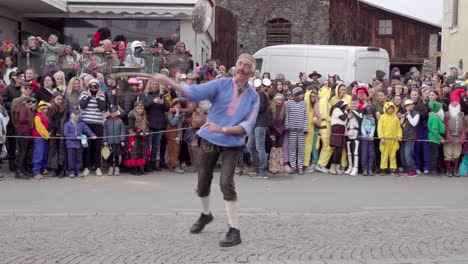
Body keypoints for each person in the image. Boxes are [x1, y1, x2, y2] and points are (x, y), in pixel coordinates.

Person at [153, 53, 260, 247]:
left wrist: (223, 129)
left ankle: (234, 230)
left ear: (252, 72)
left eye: (247, 66)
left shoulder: (254, 97)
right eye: (239, 63)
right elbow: (193, 93)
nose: (242, 68)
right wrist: (169, 81)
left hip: (233, 143)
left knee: (226, 183)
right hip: (210, 139)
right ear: (235, 66)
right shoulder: (222, 84)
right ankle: (205, 215)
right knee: (203, 182)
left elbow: (247, 126)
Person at [79, 79, 106, 176]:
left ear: (98, 87)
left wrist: (97, 96)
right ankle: (86, 167)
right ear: (88, 86)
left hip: (98, 124)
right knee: (86, 145)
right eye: (92, 86)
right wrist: (89, 96)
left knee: (97, 146)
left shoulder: (102, 95)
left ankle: (98, 167)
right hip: (85, 124)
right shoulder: (83, 93)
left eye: (96, 86)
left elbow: (102, 107)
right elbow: (82, 106)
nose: (93, 88)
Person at [64, 109, 97, 178]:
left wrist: (92, 135)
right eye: (75, 114)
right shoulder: (67, 124)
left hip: (79, 144)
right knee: (71, 159)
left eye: (78, 114)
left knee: (79, 159)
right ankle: (71, 171)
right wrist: (75, 136)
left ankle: (79, 171)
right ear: (71, 115)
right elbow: (66, 134)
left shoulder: (82, 123)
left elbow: (87, 130)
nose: (76, 116)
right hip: (70, 145)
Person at [443, 89, 465, 176]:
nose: (454, 104)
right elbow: (445, 126)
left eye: (456, 103)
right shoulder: (447, 114)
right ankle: (448, 170)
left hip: (458, 137)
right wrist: (448, 137)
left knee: (457, 153)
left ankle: (455, 170)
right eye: (453, 103)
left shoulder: (462, 114)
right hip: (449, 137)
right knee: (448, 153)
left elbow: (464, 126)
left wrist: (462, 137)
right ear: (450, 104)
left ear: (459, 104)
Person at [124, 101, 149, 175]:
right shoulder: (131, 114)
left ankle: (140, 168)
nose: (140, 110)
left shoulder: (144, 114)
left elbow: (147, 124)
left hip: (143, 135)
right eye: (138, 108)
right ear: (135, 108)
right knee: (134, 153)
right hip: (134, 135)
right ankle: (133, 169)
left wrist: (147, 131)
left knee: (142, 153)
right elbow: (131, 125)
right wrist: (139, 131)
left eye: (141, 108)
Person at [47, 92, 68, 178]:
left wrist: (60, 130)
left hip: (61, 131)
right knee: (54, 150)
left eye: (61, 99)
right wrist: (51, 130)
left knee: (61, 150)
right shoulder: (51, 108)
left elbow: (63, 120)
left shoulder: (65, 108)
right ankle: (56, 169)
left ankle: (63, 170)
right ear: (54, 99)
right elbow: (50, 120)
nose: (59, 101)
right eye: (58, 99)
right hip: (54, 132)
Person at [378, 102, 402, 175]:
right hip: (385, 140)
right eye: (389, 108)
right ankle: (383, 169)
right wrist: (381, 137)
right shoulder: (382, 117)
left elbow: (398, 128)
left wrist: (399, 136)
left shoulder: (396, 118)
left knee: (393, 155)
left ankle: (393, 168)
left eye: (392, 108)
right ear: (386, 109)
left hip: (394, 140)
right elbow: (379, 128)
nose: (390, 110)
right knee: (384, 155)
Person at [103, 105, 126, 176]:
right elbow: (105, 131)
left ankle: (116, 167)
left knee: (116, 155)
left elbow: (123, 131)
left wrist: (122, 140)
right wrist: (105, 140)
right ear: (109, 112)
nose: (113, 113)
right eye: (111, 112)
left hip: (117, 142)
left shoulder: (120, 121)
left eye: (114, 112)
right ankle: (110, 168)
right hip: (109, 142)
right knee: (110, 155)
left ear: (117, 112)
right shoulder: (107, 121)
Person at [399, 99, 419, 177]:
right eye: (406, 106)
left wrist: (408, 116)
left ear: (413, 105)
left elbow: (414, 123)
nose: (408, 107)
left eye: (409, 105)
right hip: (404, 136)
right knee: (403, 154)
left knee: (408, 154)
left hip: (411, 137)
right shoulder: (405, 114)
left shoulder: (416, 114)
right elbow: (401, 125)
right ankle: (406, 168)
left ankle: (412, 170)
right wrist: (402, 118)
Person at [166, 98, 186, 174]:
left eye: (179, 104)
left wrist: (182, 117)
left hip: (179, 134)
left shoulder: (181, 113)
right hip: (172, 135)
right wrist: (177, 114)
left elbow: (182, 123)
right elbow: (173, 123)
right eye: (176, 104)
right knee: (173, 151)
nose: (178, 105)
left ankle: (173, 164)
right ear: (173, 105)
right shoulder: (170, 113)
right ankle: (174, 166)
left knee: (177, 150)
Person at [32, 101, 50, 179]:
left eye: (46, 109)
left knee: (44, 154)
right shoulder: (37, 116)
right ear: (40, 109)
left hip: (44, 137)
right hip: (39, 138)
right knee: (38, 155)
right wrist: (47, 135)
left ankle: (42, 170)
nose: (45, 110)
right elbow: (40, 128)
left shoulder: (45, 116)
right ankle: (36, 172)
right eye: (44, 109)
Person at [329, 100, 348, 175]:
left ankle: (337, 166)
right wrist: (346, 113)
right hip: (337, 129)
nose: (346, 107)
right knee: (338, 149)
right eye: (345, 106)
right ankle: (332, 167)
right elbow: (343, 118)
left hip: (341, 129)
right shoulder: (337, 109)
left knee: (340, 150)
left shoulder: (341, 111)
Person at [345, 98, 362, 176]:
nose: (353, 105)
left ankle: (356, 168)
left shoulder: (360, 112)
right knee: (349, 151)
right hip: (349, 132)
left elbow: (360, 119)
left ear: (358, 104)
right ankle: (350, 166)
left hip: (356, 132)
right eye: (352, 104)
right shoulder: (348, 112)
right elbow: (345, 122)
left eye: (355, 104)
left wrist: (353, 112)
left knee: (355, 152)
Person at [427, 101, 446, 175]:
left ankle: (435, 169)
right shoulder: (435, 118)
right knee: (435, 155)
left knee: (435, 154)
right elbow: (435, 130)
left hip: (435, 139)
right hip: (435, 139)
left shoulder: (434, 116)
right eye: (440, 109)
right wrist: (440, 138)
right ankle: (432, 170)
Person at [361, 106, 376, 176]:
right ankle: (364, 169)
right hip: (364, 137)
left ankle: (370, 169)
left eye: (370, 113)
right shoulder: (363, 119)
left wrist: (371, 134)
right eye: (368, 114)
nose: (369, 115)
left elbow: (373, 127)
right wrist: (364, 134)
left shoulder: (373, 119)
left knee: (371, 154)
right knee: (364, 154)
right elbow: (362, 127)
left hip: (371, 137)